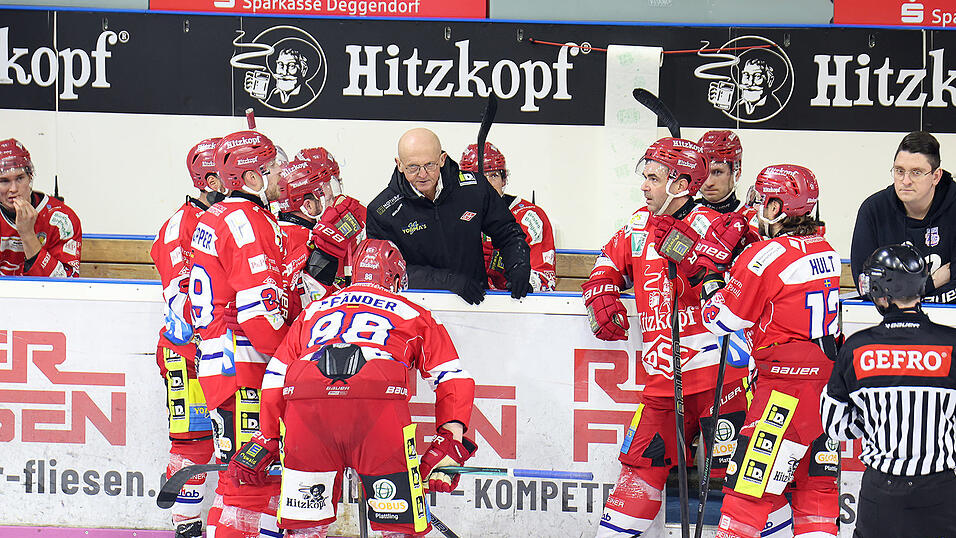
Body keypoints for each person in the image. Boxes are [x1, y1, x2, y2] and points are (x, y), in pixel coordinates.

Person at [228, 238, 477, 538]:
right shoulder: (414, 312)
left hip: (307, 408)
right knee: (398, 528)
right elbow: (452, 377)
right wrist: (449, 440)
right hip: (377, 409)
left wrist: (267, 437)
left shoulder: (313, 311)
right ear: (395, 278)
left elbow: (276, 376)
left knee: (305, 530)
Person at [660, 164, 841, 538]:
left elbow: (720, 319)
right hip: (825, 392)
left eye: (761, 199)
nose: (756, 206)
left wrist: (705, 275)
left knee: (747, 494)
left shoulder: (765, 256)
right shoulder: (828, 251)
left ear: (776, 208)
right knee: (816, 492)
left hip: (782, 392)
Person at [584, 137, 749, 537]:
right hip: (661, 385)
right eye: (645, 177)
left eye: (653, 178)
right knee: (637, 476)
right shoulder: (638, 226)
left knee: (744, 481)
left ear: (679, 183)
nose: (643, 186)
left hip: (721, 385)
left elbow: (751, 293)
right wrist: (602, 293)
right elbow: (604, 265)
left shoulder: (722, 227)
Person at [188, 130, 288, 538]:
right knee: (250, 482)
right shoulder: (245, 221)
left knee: (244, 480)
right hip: (243, 364)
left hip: (222, 362)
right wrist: (290, 360)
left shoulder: (217, 215)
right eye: (272, 167)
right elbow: (258, 310)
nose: (282, 174)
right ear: (251, 177)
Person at [822, 243, 956, 538]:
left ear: (880, 292)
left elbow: (835, 426)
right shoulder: (952, 343)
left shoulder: (857, 347)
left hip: (881, 492)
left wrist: (873, 417)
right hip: (942, 491)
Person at [150, 137, 229, 538]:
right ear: (212, 178)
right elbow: (185, 301)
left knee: (239, 444)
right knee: (193, 442)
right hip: (187, 353)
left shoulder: (227, 216)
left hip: (221, 352)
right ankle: (187, 526)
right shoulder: (179, 226)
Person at [366, 127, 531, 305]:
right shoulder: (381, 210)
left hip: (475, 303)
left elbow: (507, 231)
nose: (422, 174)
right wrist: (447, 281)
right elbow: (386, 271)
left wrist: (518, 266)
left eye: (430, 165)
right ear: (399, 164)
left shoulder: (474, 188)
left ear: (442, 159)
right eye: (413, 167)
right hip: (414, 307)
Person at [850, 131, 956, 303]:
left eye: (916, 172)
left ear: (936, 176)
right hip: (889, 323)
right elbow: (866, 286)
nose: (905, 181)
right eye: (900, 171)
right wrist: (932, 283)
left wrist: (899, 294)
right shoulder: (873, 210)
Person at [459, 142, 556, 292]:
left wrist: (517, 279)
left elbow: (545, 279)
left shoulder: (529, 216)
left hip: (515, 307)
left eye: (494, 175)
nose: (487, 184)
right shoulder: (456, 216)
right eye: (479, 177)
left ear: (504, 180)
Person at [0, 138, 81, 277]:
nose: (13, 189)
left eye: (20, 178)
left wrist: (27, 235)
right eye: (4, 181)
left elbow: (66, 285)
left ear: (30, 177)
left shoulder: (61, 219)